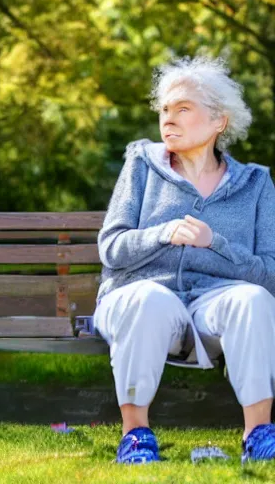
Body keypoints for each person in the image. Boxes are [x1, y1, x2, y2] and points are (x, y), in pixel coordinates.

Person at [93, 56, 275, 464]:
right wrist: (163, 233)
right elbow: (111, 248)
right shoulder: (141, 164)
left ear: (218, 122)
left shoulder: (256, 184)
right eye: (164, 109)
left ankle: (259, 434)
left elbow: (269, 276)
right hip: (138, 298)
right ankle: (136, 436)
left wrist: (215, 243)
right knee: (149, 300)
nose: (168, 119)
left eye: (182, 109)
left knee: (252, 300)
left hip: (212, 309)